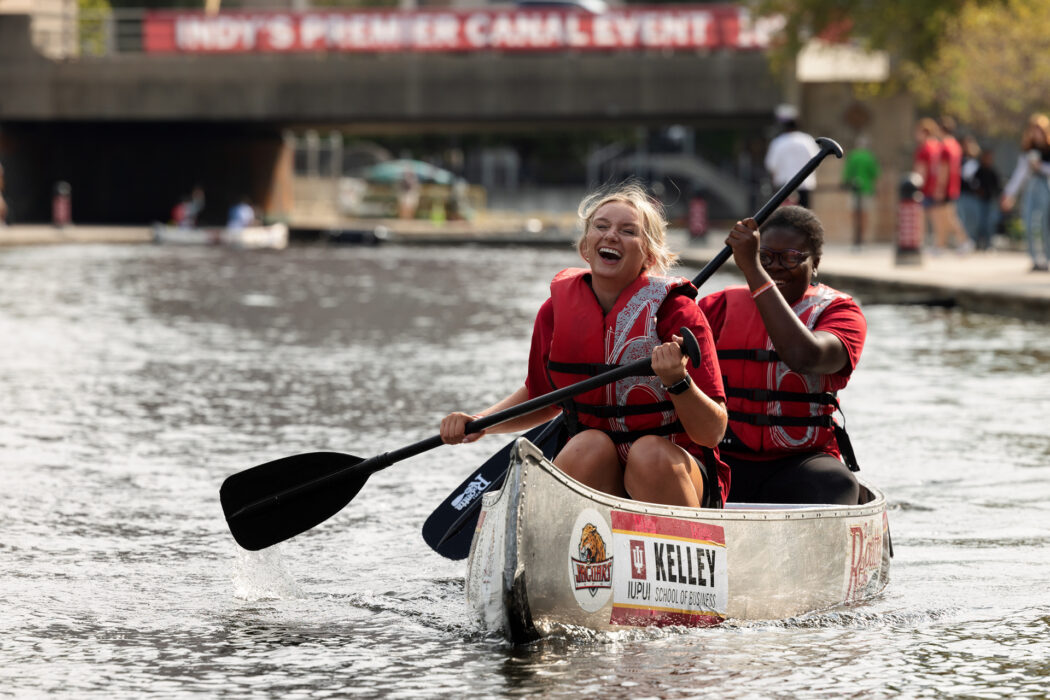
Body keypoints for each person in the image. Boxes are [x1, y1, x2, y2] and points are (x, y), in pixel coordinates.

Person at [440, 182, 730, 508]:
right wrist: (480, 424)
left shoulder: (678, 313)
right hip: (599, 467)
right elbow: (541, 395)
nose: (610, 236)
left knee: (647, 454)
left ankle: (682, 541)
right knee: (587, 444)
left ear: (648, 254)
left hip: (674, 466)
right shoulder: (554, 312)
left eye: (628, 231)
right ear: (586, 247)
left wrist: (679, 382)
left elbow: (712, 433)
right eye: (601, 227)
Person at [696, 206, 865, 505]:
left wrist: (754, 269)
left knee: (836, 483)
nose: (775, 267)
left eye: (790, 258)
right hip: (725, 458)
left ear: (815, 264)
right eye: (765, 258)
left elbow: (804, 356)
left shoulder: (841, 312)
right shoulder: (718, 307)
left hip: (802, 461)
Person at [1001, 113, 1050, 271]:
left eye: (1039, 130)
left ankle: (1048, 257)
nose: (1036, 134)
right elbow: (1020, 175)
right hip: (1031, 187)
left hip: (1046, 186)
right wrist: (1009, 194)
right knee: (1029, 222)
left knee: (1045, 224)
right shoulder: (1028, 150)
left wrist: (1040, 167)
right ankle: (1035, 259)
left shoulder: (1048, 149)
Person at [765, 105, 820, 208]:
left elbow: (771, 165)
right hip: (805, 185)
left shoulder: (778, 142)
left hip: (783, 186)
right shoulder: (807, 140)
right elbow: (816, 160)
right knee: (805, 218)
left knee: (784, 219)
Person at [931, 116, 972, 254]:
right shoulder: (955, 145)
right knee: (946, 216)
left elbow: (944, 169)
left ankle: (963, 241)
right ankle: (941, 245)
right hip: (954, 185)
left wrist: (939, 187)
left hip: (946, 187)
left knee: (946, 217)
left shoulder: (944, 147)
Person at [840, 134, 880, 248]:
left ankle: (854, 238)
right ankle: (863, 238)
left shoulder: (853, 156)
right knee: (864, 215)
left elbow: (847, 173)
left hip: (854, 189)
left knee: (854, 214)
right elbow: (875, 174)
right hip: (867, 189)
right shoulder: (869, 156)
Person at [913, 117, 943, 248]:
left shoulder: (924, 149)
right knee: (936, 217)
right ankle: (939, 243)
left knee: (921, 218)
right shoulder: (937, 146)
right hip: (935, 186)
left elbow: (921, 171)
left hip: (925, 188)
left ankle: (920, 243)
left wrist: (915, 187)